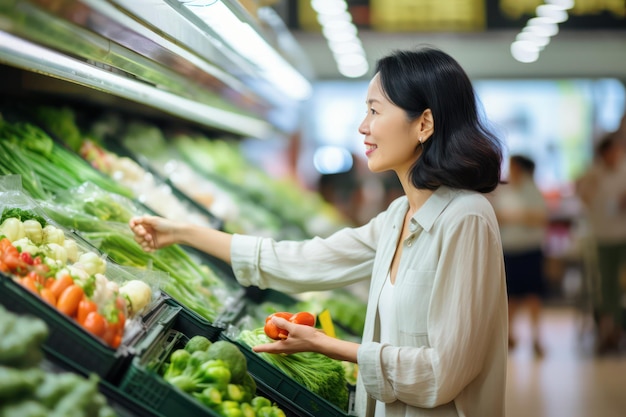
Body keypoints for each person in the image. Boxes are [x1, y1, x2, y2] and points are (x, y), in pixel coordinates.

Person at [129, 46, 508, 417]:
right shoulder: (398, 216)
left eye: (374, 111)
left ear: (423, 123)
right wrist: (183, 232)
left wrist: (327, 345)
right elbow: (303, 261)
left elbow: (445, 371)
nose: (363, 127)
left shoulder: (466, 219)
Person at [491, 155, 549, 357]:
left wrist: (513, 216)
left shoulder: (532, 191)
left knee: (534, 296)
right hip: (509, 250)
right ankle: (509, 335)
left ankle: (536, 338)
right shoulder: (503, 191)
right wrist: (520, 216)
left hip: (530, 250)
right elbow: (496, 217)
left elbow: (539, 218)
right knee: (510, 297)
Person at [577, 132, 626, 354]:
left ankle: (617, 327)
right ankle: (608, 330)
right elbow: (584, 197)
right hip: (603, 236)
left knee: (620, 283)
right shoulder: (594, 173)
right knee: (605, 284)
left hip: (622, 235)